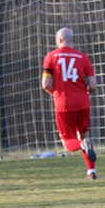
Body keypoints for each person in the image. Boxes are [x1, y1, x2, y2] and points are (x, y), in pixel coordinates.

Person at [42, 27, 98, 180]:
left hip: (63, 104)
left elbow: (46, 84)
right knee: (84, 135)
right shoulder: (83, 57)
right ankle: (91, 171)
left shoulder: (51, 57)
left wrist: (56, 94)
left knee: (68, 142)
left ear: (59, 40)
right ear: (72, 40)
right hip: (83, 102)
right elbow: (93, 85)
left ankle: (82, 145)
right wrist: (85, 94)